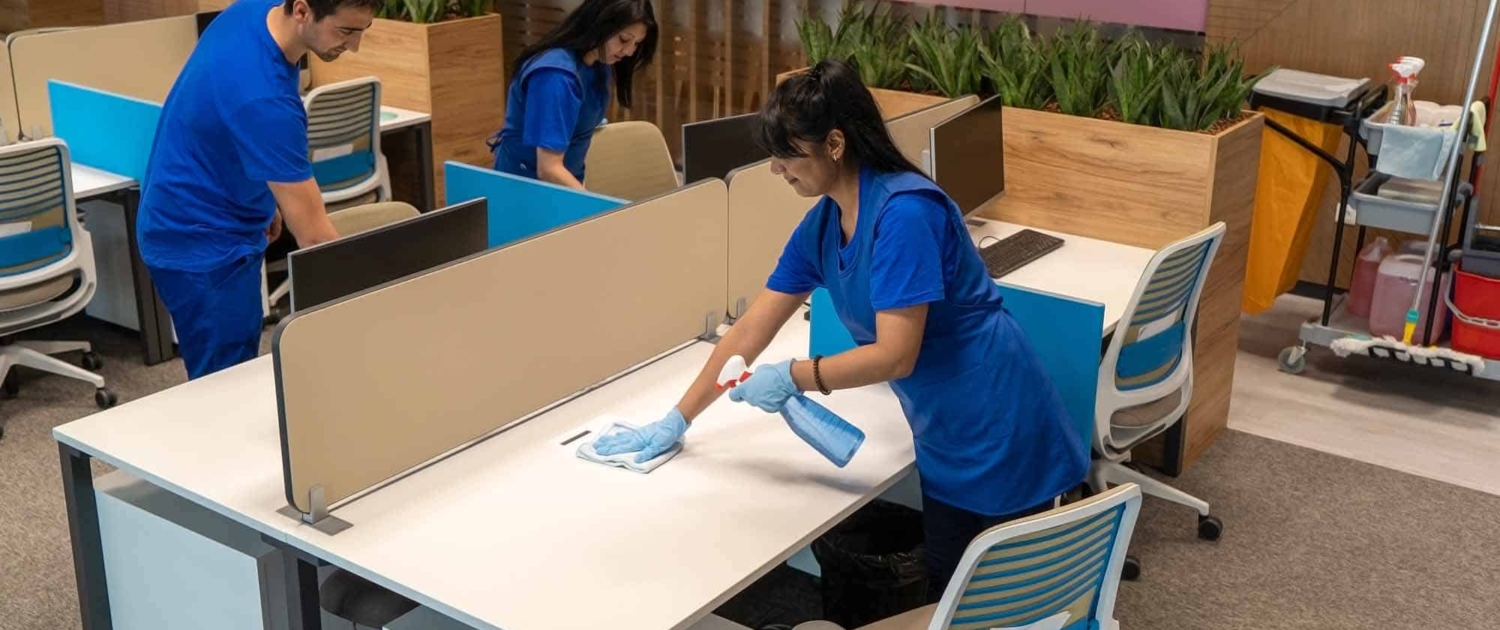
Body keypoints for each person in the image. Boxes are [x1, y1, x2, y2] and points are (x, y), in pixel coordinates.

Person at [594, 59, 1089, 599]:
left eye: (788, 155)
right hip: (943, 422)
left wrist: (794, 375)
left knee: (989, 600)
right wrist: (675, 420)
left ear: (834, 143)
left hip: (996, 416)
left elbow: (896, 355)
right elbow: (747, 333)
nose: (777, 170)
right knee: (951, 584)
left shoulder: (903, 214)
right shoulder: (825, 222)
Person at [137, 0, 375, 380]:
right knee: (226, 389)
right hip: (200, 244)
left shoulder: (254, 13)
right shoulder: (265, 100)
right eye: (346, 31)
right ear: (302, 11)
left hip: (199, 207)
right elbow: (314, 238)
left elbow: (230, 125)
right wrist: (380, 304)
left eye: (363, 30)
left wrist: (267, 200)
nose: (354, 45)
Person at [488, 0, 658, 190]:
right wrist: (592, 205)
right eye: (624, 40)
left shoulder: (598, 65)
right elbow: (548, 169)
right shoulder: (555, 77)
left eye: (637, 43)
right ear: (599, 24)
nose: (628, 51)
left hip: (565, 184)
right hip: (526, 191)